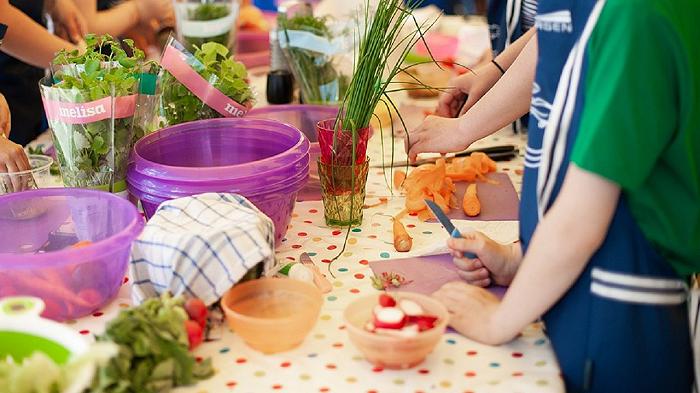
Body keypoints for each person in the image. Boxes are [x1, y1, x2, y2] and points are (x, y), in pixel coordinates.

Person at [408, 0, 699, 391]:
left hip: (618, 315)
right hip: (569, 284)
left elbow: (582, 219)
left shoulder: (636, 15)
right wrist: (523, 260)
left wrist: (499, 321)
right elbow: (553, 38)